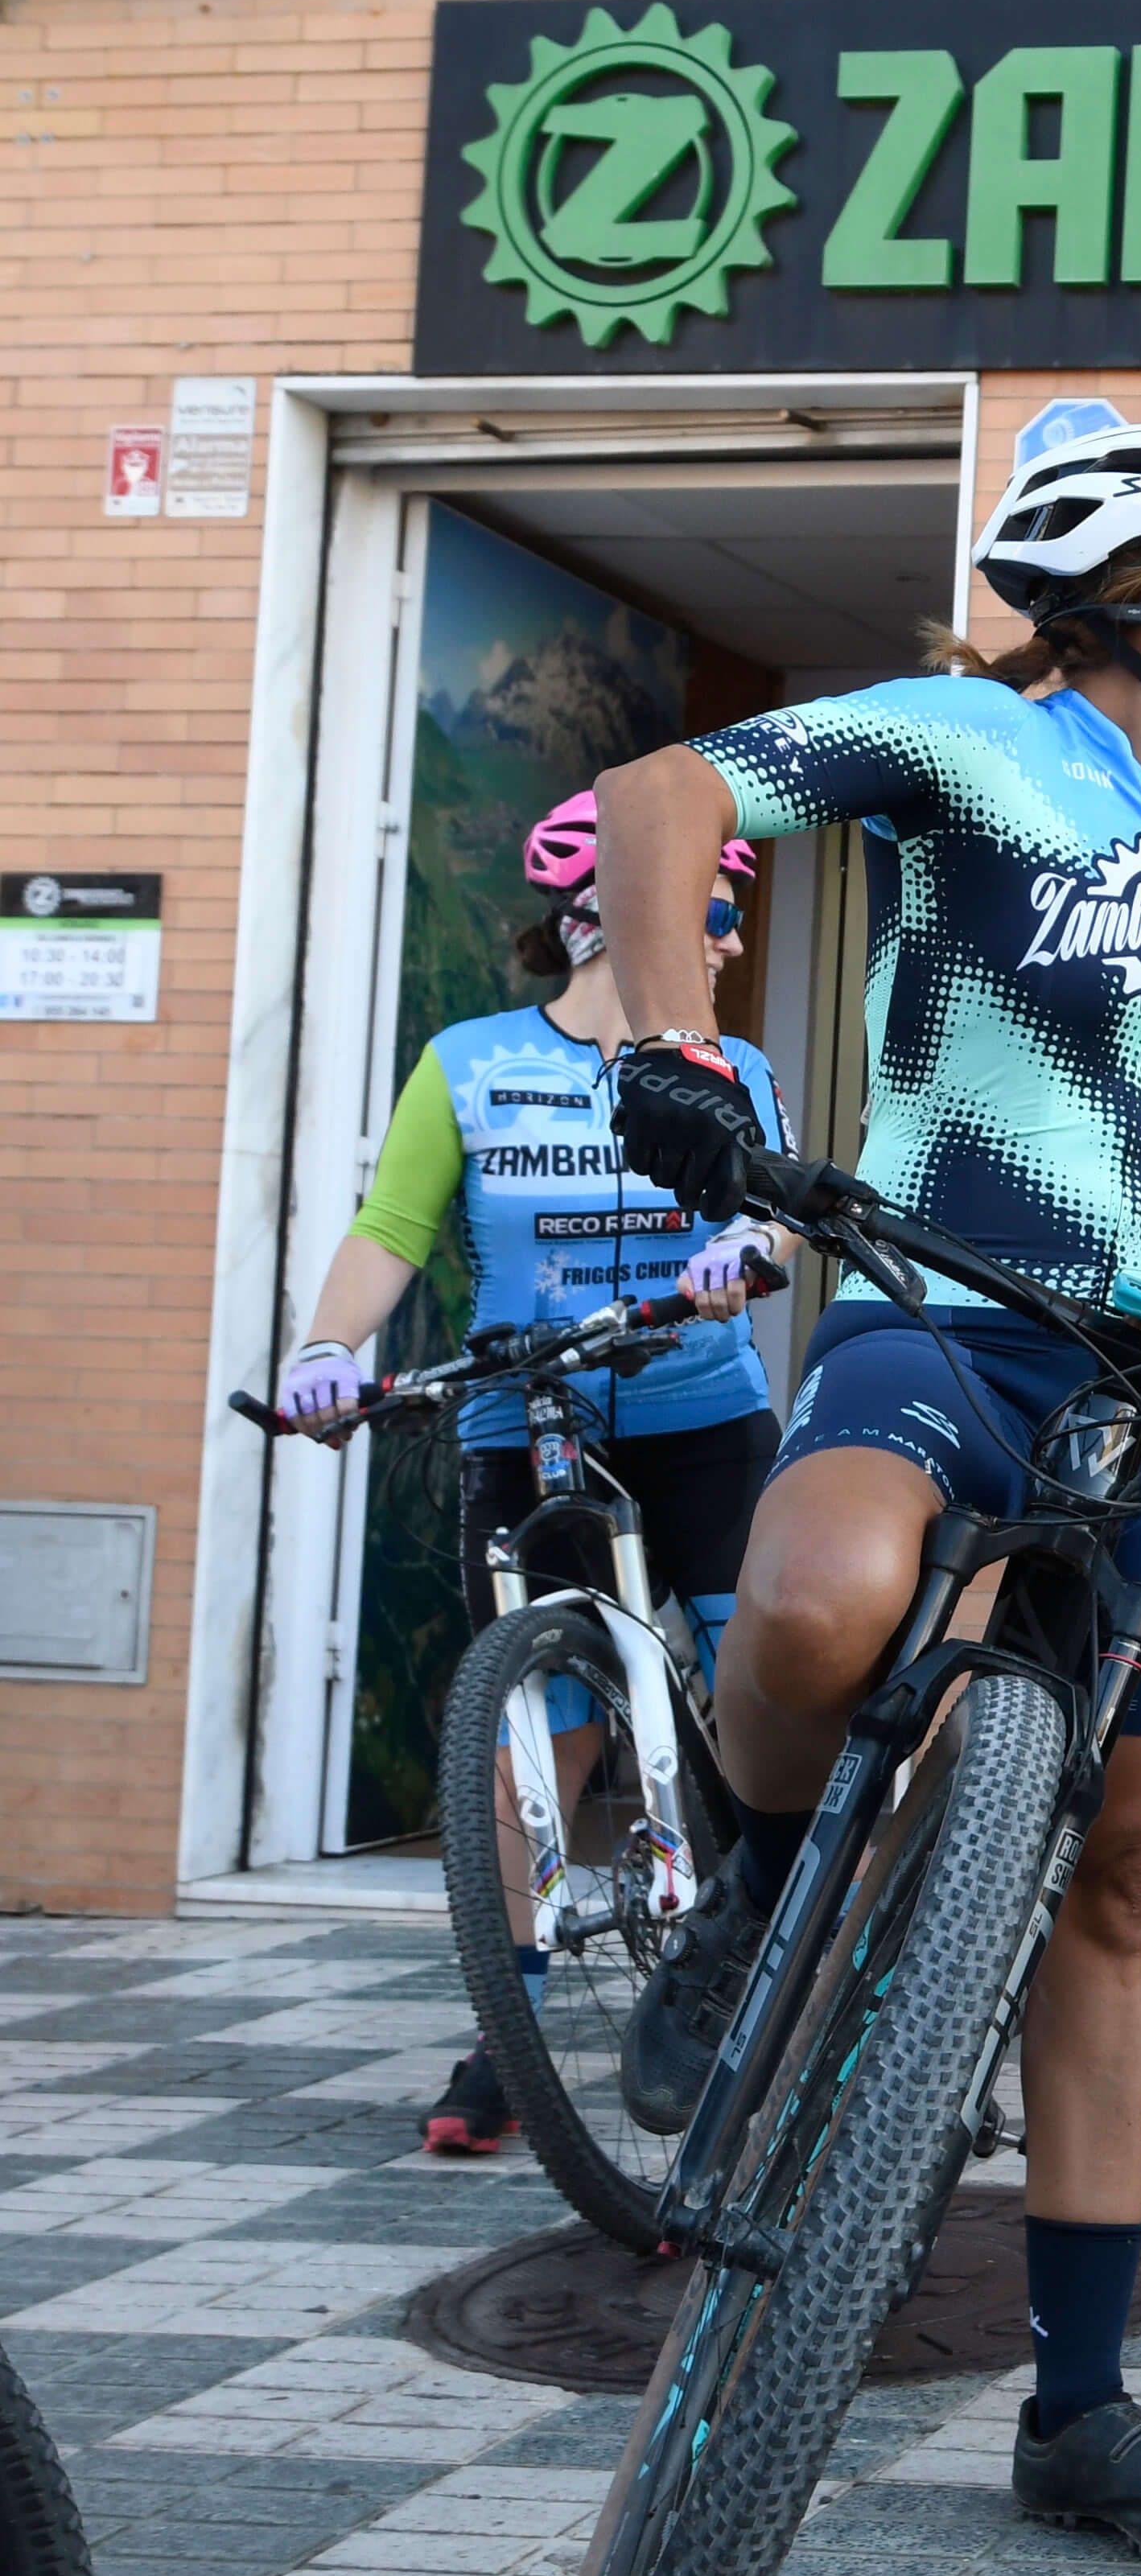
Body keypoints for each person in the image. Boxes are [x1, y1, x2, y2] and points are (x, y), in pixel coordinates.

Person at [590, 422, 1141, 2566]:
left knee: (1126, 1875)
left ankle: (1080, 2409)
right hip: (942, 1305)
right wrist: (678, 1033)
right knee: (812, 1606)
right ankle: (748, 1884)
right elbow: (669, 794)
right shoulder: (969, 737)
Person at [279, 796, 789, 2160]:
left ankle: (783, 1961)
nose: (729, 946)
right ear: (608, 920)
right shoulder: (468, 1061)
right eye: (719, 912)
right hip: (527, 1422)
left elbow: (771, 1217)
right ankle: (509, 2029)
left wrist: (743, 1250)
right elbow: (392, 1225)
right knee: (536, 1741)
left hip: (703, 1419)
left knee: (765, 1698)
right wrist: (329, 1344)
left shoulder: (728, 1062)